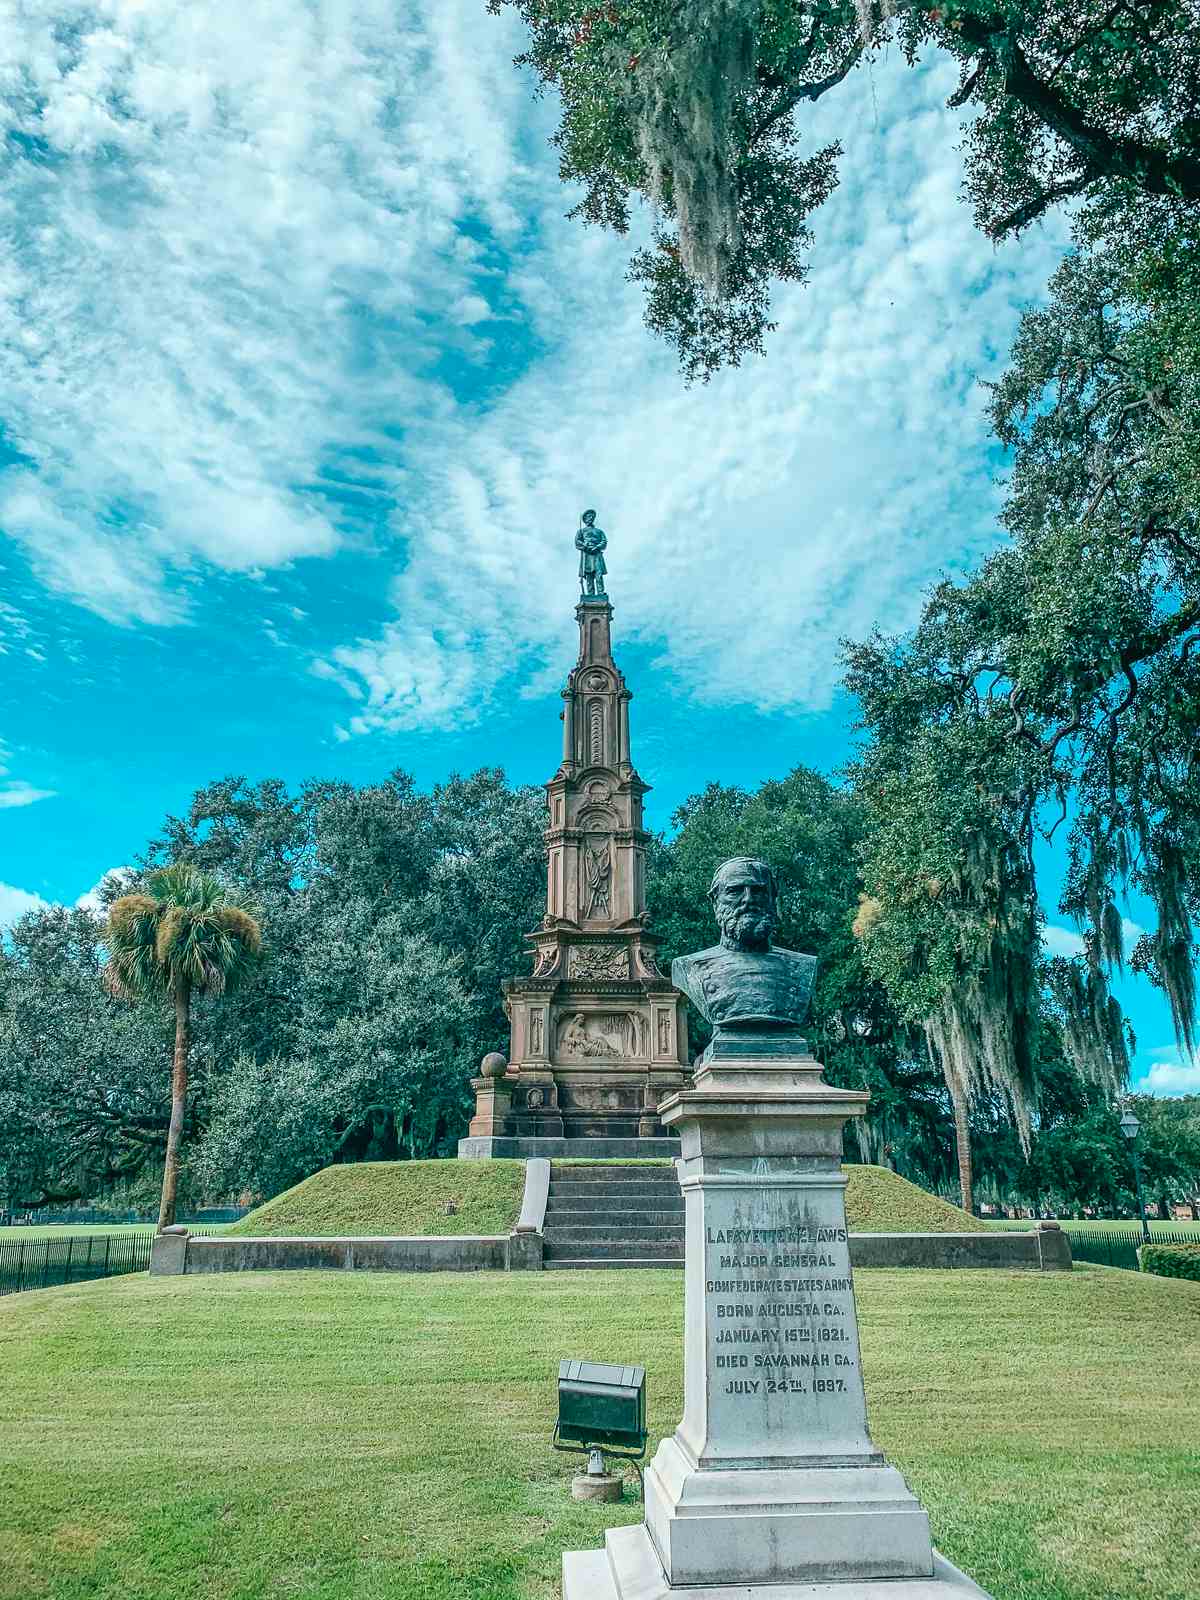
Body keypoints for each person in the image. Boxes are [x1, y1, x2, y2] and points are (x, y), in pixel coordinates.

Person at [575, 509, 608, 596]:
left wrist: (597, 547)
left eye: (591, 517)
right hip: (587, 555)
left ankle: (600, 592)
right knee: (589, 575)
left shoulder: (599, 531)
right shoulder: (581, 531)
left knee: (599, 574)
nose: (590, 518)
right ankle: (590, 594)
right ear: (585, 519)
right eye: (588, 517)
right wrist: (585, 546)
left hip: (596, 554)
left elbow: (604, 541)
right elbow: (577, 542)